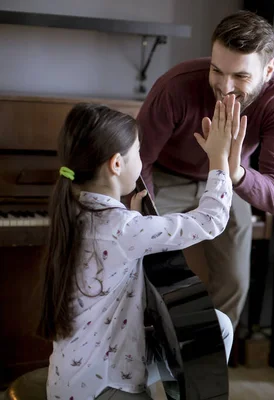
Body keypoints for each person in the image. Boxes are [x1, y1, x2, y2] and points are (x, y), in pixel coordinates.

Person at [36, 96, 245, 400]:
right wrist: (219, 161)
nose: (143, 161)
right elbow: (211, 220)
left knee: (215, 328)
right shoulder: (122, 229)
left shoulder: (75, 211)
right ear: (116, 164)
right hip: (103, 388)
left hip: (70, 380)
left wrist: (136, 215)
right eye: (138, 153)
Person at [137, 10, 274, 329]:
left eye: (241, 76)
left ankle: (208, 362)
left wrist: (234, 171)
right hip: (168, 178)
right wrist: (147, 223)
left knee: (235, 283)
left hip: (232, 179)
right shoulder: (175, 86)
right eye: (217, 70)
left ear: (269, 70)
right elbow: (139, 162)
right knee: (135, 257)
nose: (225, 87)